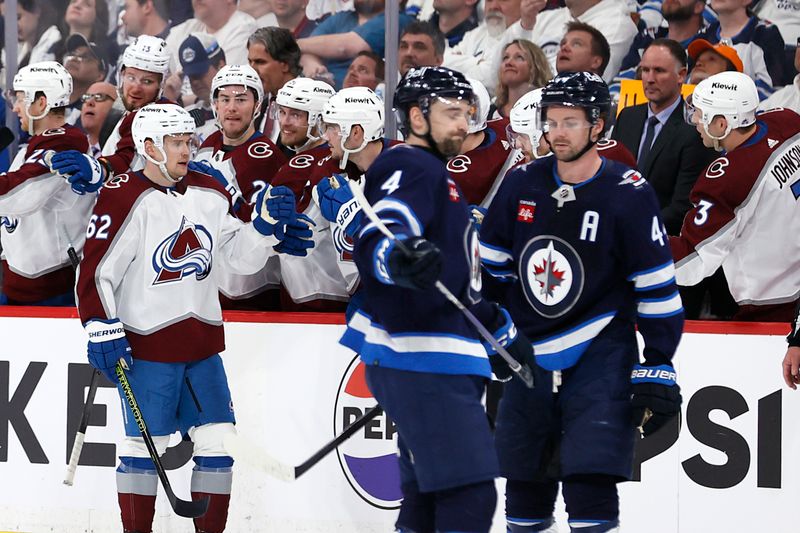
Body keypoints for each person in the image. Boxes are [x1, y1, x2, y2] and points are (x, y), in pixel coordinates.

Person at [75, 103, 308, 533]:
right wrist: (101, 325)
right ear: (148, 146)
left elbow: (237, 257)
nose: (187, 150)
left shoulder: (210, 190)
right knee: (144, 448)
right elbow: (95, 271)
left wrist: (265, 229)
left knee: (219, 441)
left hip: (202, 346)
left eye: (189, 140)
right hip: (146, 347)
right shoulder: (124, 194)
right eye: (176, 142)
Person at [480, 71, 684, 532]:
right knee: (524, 486)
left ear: (598, 125)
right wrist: (491, 333)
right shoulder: (521, 184)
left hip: (600, 354)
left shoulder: (627, 192)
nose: (557, 132)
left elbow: (655, 285)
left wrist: (659, 362)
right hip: (527, 354)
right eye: (551, 122)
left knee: (589, 482)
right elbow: (490, 273)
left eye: (570, 121)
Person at [338, 65, 534, 533]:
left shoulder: (433, 172)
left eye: (467, 113)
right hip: (423, 357)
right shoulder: (410, 163)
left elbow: (454, 281)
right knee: (469, 492)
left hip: (435, 354)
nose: (463, 123)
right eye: (451, 113)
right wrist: (397, 258)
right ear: (416, 117)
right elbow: (381, 234)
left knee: (428, 495)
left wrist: (499, 331)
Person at [671, 71, 800, 321]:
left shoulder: (727, 179)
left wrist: (637, 246)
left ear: (722, 124)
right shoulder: (787, 120)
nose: (695, 120)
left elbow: (692, 260)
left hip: (773, 306)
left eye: (700, 113)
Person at [194, 64, 291, 309]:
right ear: (215, 104)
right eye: (224, 98)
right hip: (209, 288)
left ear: (257, 106)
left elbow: (261, 228)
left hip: (251, 292)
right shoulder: (208, 144)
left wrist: (228, 194)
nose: (232, 107)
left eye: (241, 99)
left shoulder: (266, 156)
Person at [0, 62, 93, 306]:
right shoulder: (32, 147)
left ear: (41, 102)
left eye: (20, 99)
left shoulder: (64, 144)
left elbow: (19, 195)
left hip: (51, 292)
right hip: (22, 286)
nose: (15, 107)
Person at [613, 39, 718, 237]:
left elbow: (682, 207)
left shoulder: (696, 130)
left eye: (659, 71)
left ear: (681, 75)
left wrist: (633, 230)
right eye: (645, 70)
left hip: (660, 241)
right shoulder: (627, 117)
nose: (649, 79)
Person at [48, 35, 172, 193]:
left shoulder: (157, 116)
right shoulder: (122, 109)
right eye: (131, 77)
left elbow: (126, 158)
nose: (135, 88)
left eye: (147, 81)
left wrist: (99, 169)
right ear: (121, 75)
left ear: (161, 85)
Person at [247, 27, 303, 142]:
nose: (252, 70)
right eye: (250, 62)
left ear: (285, 64)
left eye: (260, 62)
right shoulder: (256, 104)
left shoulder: (309, 103)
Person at [178, 33, 227, 143]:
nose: (194, 81)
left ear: (221, 66)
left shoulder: (242, 111)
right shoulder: (186, 117)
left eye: (200, 73)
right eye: (190, 76)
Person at [273, 77, 335, 159]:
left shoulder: (329, 165)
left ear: (320, 120)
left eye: (295, 115)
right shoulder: (283, 149)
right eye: (282, 112)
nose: (285, 122)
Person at [492, 39, 552, 119]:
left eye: (519, 57)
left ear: (536, 66)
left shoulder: (549, 113)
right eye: (505, 57)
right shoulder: (489, 114)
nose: (508, 62)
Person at [80, 81, 124, 157]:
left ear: (117, 106)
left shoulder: (123, 150)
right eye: (86, 97)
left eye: (99, 97)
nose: (89, 103)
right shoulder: (71, 146)